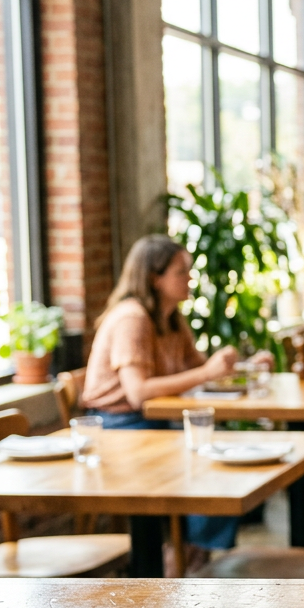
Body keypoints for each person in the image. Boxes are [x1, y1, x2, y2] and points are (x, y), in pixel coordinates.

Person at [80, 234, 267, 573]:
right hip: (118, 428)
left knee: (217, 462)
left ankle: (189, 553)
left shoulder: (170, 317)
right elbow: (137, 393)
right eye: (182, 272)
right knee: (207, 465)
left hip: (153, 424)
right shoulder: (132, 318)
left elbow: (199, 370)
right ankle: (178, 560)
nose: (190, 279)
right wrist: (207, 371)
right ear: (155, 277)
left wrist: (244, 368)